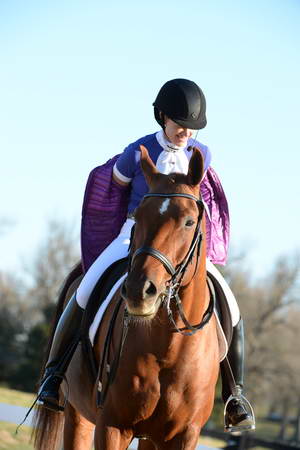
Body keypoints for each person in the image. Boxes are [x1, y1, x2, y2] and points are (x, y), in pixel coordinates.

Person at [37, 78, 255, 432]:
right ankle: (54, 374)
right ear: (162, 116)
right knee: (86, 287)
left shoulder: (201, 155)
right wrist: (131, 225)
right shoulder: (136, 151)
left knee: (229, 301)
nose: (185, 131)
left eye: (193, 126)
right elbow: (113, 189)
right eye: (180, 123)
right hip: (134, 235)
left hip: (181, 246)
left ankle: (235, 394)